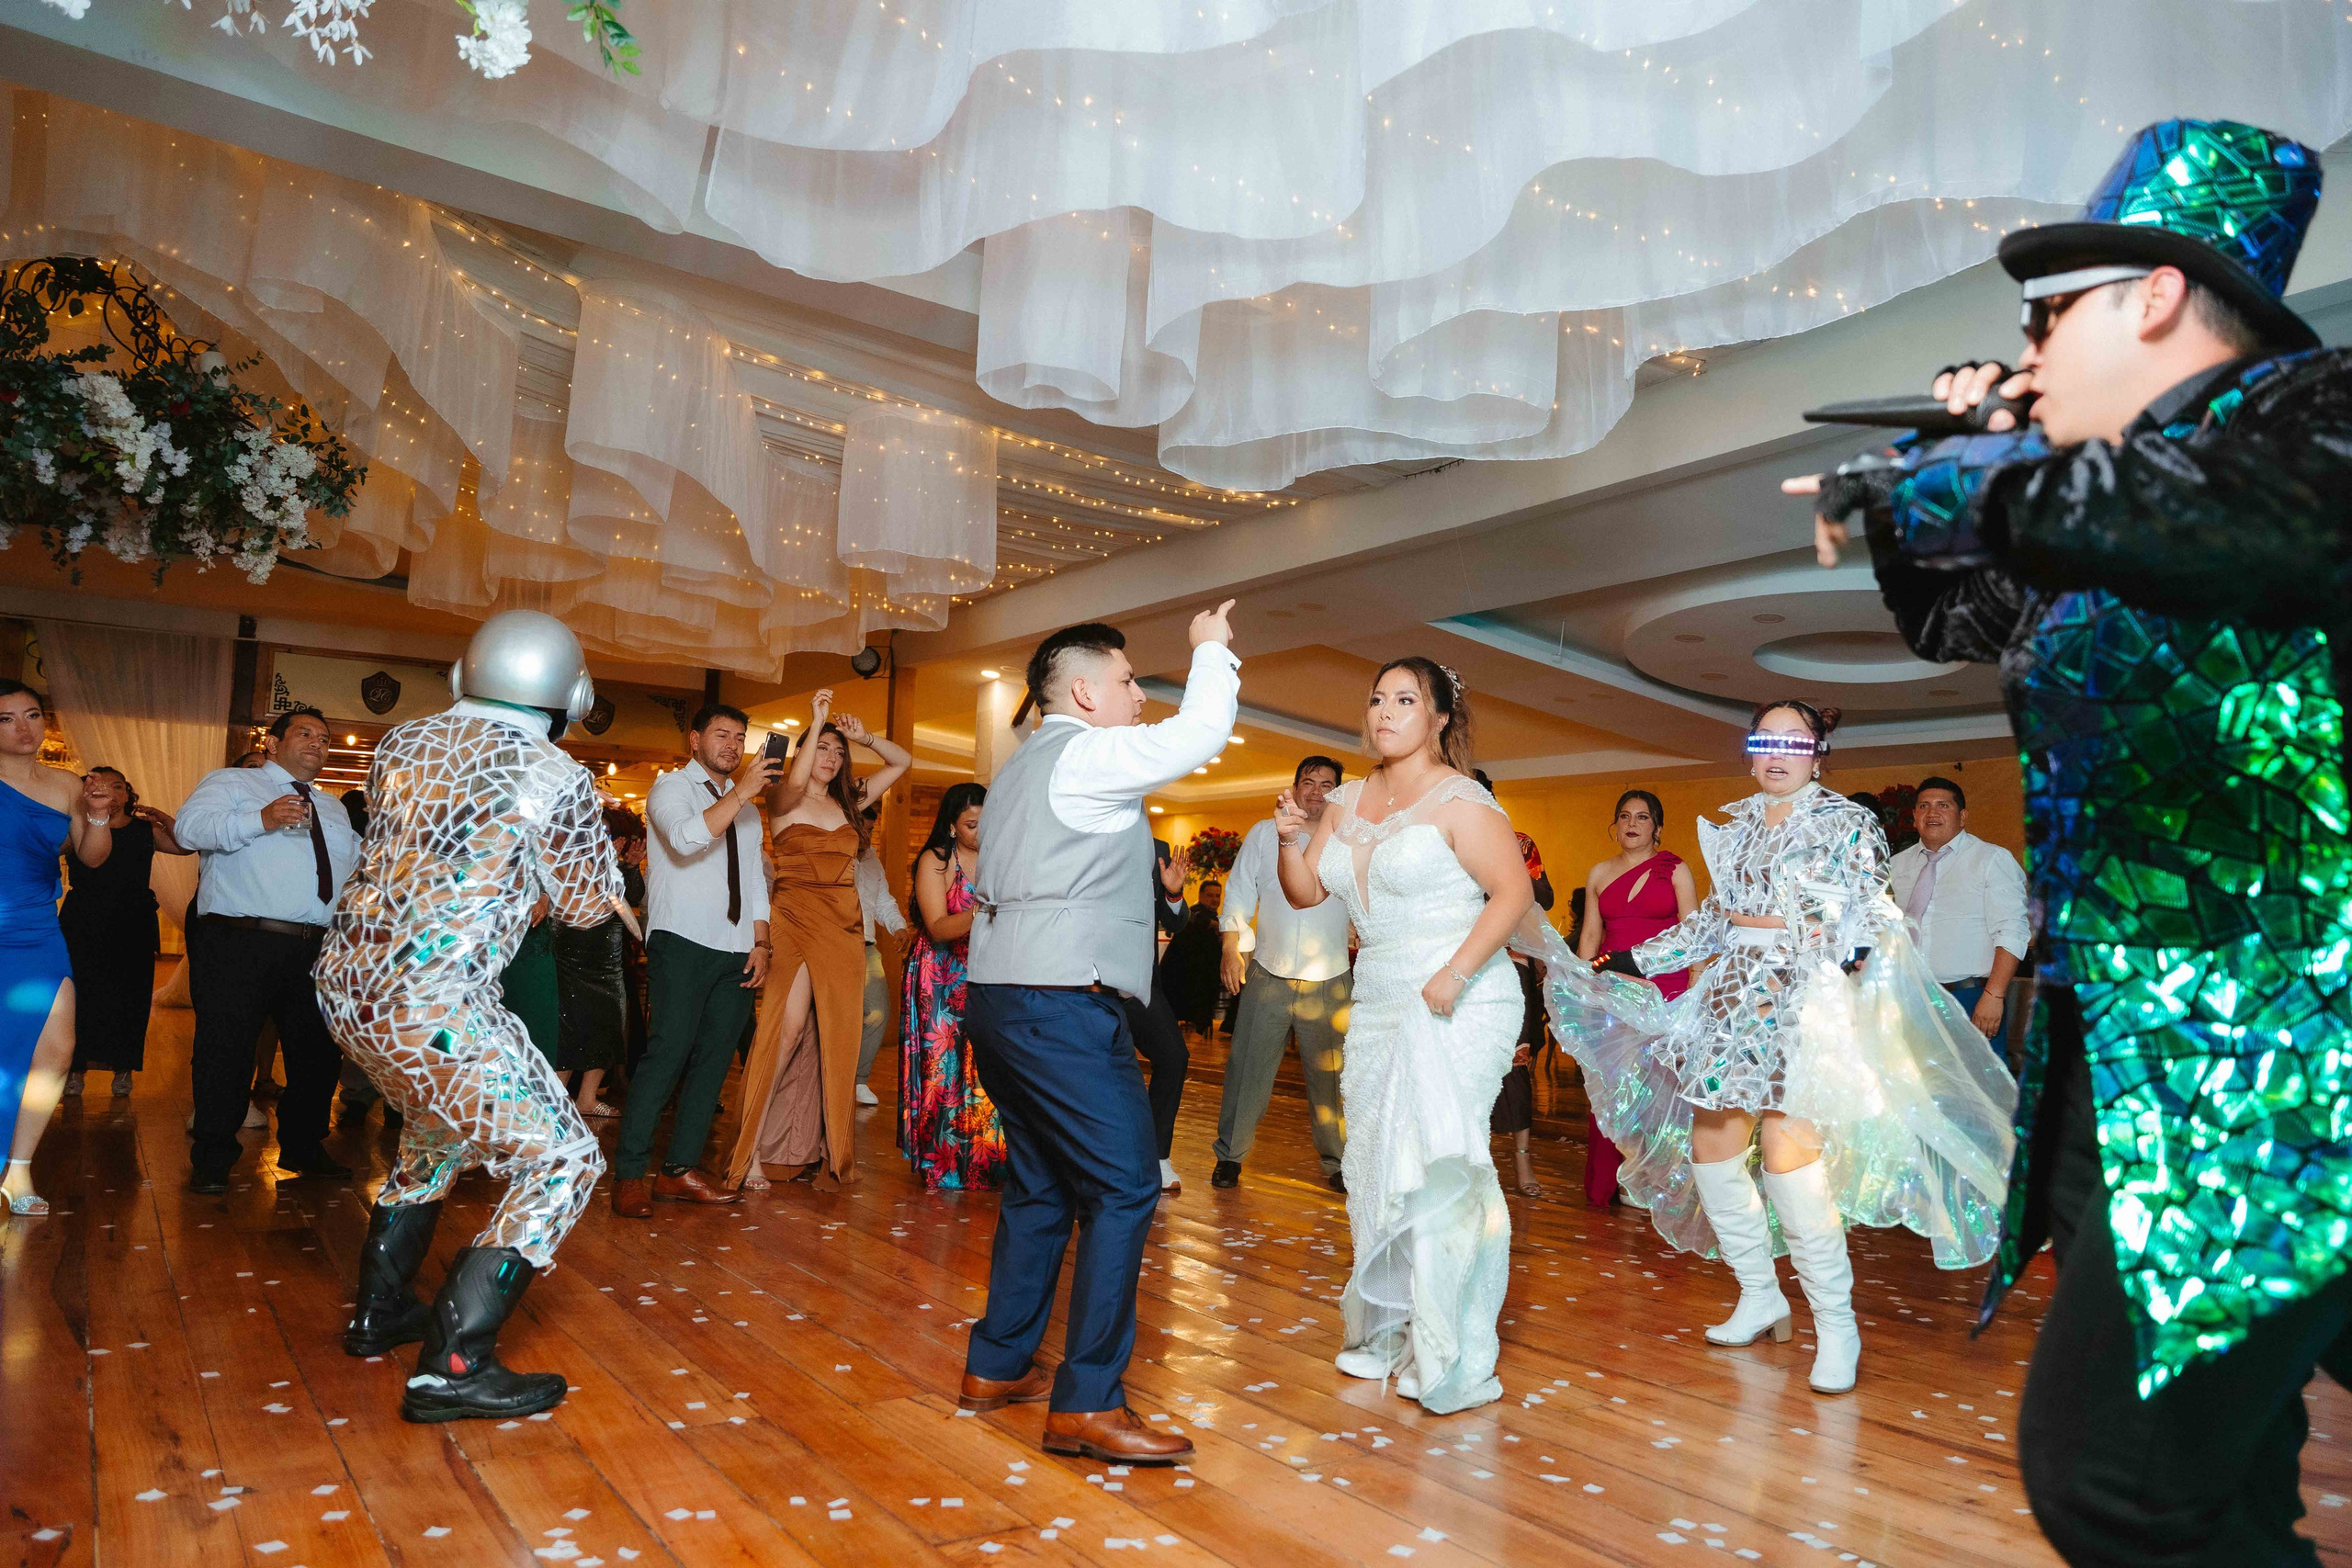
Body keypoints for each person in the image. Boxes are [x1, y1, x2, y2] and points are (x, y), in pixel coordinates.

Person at [1799, 118, 2352, 1565]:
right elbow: (1957, 616)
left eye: (2051, 315)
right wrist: (1957, 475)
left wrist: (1962, 468)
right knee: (2213, 1471)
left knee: (2117, 1478)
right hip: (2159, 1061)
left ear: (2155, 296)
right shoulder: (2110, 509)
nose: (2029, 349)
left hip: (2278, 1060)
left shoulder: (2309, 411)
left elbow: (2249, 526)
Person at [1541, 703, 2016, 1396]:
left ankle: (1837, 1324)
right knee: (1712, 1150)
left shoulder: (1846, 822)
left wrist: (1830, 947)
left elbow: (1862, 913)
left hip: (1801, 999)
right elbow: (1709, 921)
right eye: (1764, 740)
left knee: (1792, 1155)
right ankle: (1761, 1293)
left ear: (1818, 752)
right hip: (1732, 998)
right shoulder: (1733, 830)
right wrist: (1626, 960)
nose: (1776, 752)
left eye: (1793, 741)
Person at [316, 609, 626, 1423]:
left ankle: (379, 1312)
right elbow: (588, 904)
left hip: (349, 989)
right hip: (433, 1001)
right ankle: (453, 1365)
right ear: (573, 690)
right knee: (562, 1160)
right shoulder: (553, 773)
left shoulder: (400, 745)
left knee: (435, 1128)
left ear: (466, 674)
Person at [956, 604, 1237, 1465]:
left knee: (1042, 1185)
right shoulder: (1082, 752)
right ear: (1082, 690)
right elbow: (1199, 731)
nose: (1135, 696)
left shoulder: (1020, 766)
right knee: (1125, 1186)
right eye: (1124, 681)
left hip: (1003, 998)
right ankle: (1086, 1402)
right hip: (1059, 1005)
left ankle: (997, 1367)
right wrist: (1210, 651)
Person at [1269, 659, 1530, 1413]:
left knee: (1439, 1158)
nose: (1385, 711)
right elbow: (1310, 891)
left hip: (1460, 995)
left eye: (1405, 699)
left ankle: (1457, 1350)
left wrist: (1454, 971)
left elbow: (1512, 892)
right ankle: (1389, 1328)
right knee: (1378, 1160)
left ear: (1440, 717)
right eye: (1377, 698)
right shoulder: (1347, 798)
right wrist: (1292, 838)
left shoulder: (1462, 800)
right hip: (1381, 997)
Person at [726, 695, 910, 1191]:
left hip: (844, 929)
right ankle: (754, 1152)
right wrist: (817, 722)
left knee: (838, 1039)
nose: (830, 757)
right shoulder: (782, 799)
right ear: (805, 752)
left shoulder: (849, 802)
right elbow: (793, 778)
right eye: (820, 749)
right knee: (782, 1037)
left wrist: (863, 736)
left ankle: (824, 1148)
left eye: (836, 751)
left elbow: (903, 761)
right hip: (794, 920)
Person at [175, 705, 363, 1191]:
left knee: (317, 1054)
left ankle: (303, 1148)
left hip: (316, 946)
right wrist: (260, 819)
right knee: (227, 1049)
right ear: (273, 744)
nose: (317, 743)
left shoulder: (334, 808)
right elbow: (188, 830)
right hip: (241, 938)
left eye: (324, 738)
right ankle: (213, 1159)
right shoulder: (233, 784)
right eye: (305, 733)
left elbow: (354, 868)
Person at [612, 704, 778, 1217]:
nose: (732, 745)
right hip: (682, 939)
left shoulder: (746, 808)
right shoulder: (670, 788)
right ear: (695, 741)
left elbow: (753, 878)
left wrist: (762, 941)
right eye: (721, 735)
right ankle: (630, 1175)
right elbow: (685, 842)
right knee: (668, 1055)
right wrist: (743, 792)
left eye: (739, 737)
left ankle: (680, 1170)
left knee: (713, 1063)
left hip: (735, 947)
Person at [1211, 755, 1352, 1192]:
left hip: (1331, 978)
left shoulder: (1348, 840)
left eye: (1326, 784)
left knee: (1331, 1078)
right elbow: (1237, 895)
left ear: (1337, 793)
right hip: (1268, 973)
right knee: (1246, 1069)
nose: (1315, 791)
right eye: (1307, 782)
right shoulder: (1262, 834)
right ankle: (1230, 1156)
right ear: (1293, 787)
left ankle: (1338, 1163)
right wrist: (1231, 949)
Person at [0, 681, 111, 1215]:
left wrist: (96, 814)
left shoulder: (67, 783)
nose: (25, 728)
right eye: (7, 719)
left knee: (57, 1047)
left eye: (33, 715)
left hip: (38, 930)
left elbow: (91, 859)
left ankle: (18, 1169)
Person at [1574, 789, 1698, 1207]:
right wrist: (1579, 985)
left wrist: (1694, 991)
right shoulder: (1598, 873)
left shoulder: (1675, 870)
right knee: (1616, 1082)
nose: (1632, 824)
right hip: (1614, 990)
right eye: (1625, 816)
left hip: (1666, 990)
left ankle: (1660, 1178)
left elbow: (1694, 935)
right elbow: (1591, 936)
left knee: (1661, 1087)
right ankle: (1618, 1176)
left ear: (1657, 828)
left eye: (1643, 817)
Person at [61, 767, 191, 1099]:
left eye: (117, 786)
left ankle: (124, 1067)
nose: (110, 792)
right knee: (80, 994)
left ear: (128, 793)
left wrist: (164, 818)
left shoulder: (144, 830)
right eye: (100, 785)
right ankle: (75, 1069)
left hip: (132, 919)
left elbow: (186, 847)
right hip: (84, 918)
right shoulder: (75, 826)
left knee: (130, 996)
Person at [899, 783, 1001, 1191]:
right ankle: (946, 1163)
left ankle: (986, 1160)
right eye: (972, 824)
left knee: (987, 1067)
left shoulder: (1000, 859)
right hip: (940, 974)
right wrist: (984, 911)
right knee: (946, 1070)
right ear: (953, 826)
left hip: (987, 971)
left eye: (986, 822)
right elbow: (939, 927)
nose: (981, 831)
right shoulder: (936, 861)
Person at [1886, 776, 2029, 1055]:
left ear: (1962, 816)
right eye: (1924, 806)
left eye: (1943, 806)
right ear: (1914, 817)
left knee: (1977, 1094)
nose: (1932, 813)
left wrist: (1994, 995)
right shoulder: (1896, 865)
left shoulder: (1991, 859)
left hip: (1968, 997)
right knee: (1916, 1091)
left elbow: (2012, 931)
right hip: (1908, 996)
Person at [1476, 770, 1551, 1202]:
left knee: (1516, 1065)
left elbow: (1543, 897)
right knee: (1462, 1063)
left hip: (1508, 962)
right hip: (1447, 964)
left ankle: (1522, 1159)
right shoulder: (1434, 840)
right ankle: (1472, 1160)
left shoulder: (1517, 843)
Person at [549, 806, 640, 1119]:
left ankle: (587, 1098)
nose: (600, 838)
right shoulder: (562, 862)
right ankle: (556, 1097)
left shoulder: (610, 866)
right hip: (576, 951)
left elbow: (632, 901)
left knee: (609, 1021)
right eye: (593, 832)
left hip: (609, 957)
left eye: (604, 832)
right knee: (573, 1023)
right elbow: (571, 906)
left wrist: (625, 868)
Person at [1126, 839, 1193, 1194]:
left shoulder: (1156, 847)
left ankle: (1158, 1157)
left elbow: (1176, 922)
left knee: (1174, 1056)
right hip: (1089, 984)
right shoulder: (1087, 833)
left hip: (1141, 983)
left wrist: (1173, 892)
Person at [851, 803, 909, 1109]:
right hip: (834, 945)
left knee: (878, 1011)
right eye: (862, 828)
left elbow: (884, 901)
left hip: (867, 945)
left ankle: (858, 1080)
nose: (867, 836)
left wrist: (899, 926)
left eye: (871, 830)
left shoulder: (873, 861)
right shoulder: (835, 853)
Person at [1158, 878, 1224, 1038]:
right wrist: (1219, 926)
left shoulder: (1212, 916)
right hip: (1183, 976)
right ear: (1201, 895)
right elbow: (1198, 920)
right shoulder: (1195, 912)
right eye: (1210, 895)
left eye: (1217, 896)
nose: (1214, 900)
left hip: (1198, 975)